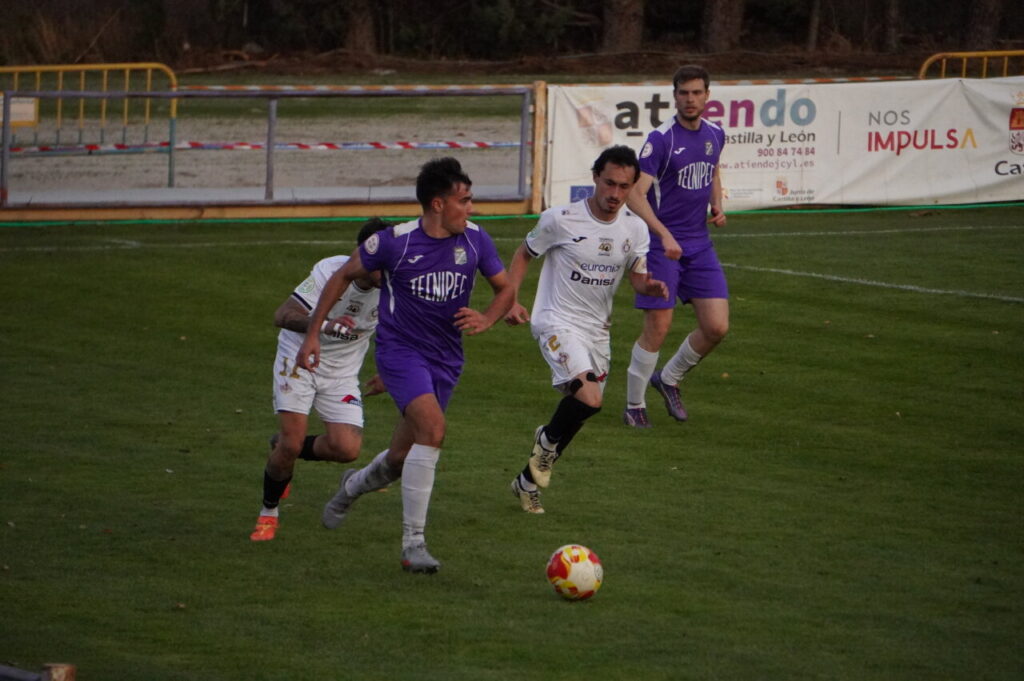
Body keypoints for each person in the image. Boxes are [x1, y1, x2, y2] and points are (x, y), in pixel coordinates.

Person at [296, 157, 513, 573]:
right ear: (437, 204)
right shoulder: (395, 243)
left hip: (446, 359)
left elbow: (505, 289)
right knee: (433, 430)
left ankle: (350, 487)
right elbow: (342, 274)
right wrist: (312, 334)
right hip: (400, 353)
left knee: (399, 459)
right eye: (464, 200)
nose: (471, 209)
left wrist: (488, 316)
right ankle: (413, 544)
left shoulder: (475, 241)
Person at [504, 145, 668, 513]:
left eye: (624, 187)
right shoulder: (560, 219)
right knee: (589, 397)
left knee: (585, 406)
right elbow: (523, 254)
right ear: (595, 177)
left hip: (597, 331)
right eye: (609, 183)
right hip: (555, 321)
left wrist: (650, 287)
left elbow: (638, 279)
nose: (614, 194)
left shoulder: (635, 228)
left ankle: (527, 481)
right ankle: (546, 442)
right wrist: (510, 300)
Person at [250, 218, 391, 542]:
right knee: (292, 442)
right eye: (380, 262)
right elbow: (282, 315)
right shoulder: (331, 271)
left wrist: (387, 372)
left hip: (341, 372)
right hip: (299, 358)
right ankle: (269, 512)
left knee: (347, 448)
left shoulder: (395, 283)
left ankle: (285, 447)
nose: (387, 270)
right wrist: (324, 324)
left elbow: (399, 330)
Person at [623, 64, 729, 428]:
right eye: (684, 93)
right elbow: (634, 195)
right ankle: (634, 405)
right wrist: (662, 233)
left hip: (699, 246)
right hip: (659, 245)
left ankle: (668, 378)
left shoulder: (716, 134)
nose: (690, 99)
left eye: (697, 92)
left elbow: (713, 170)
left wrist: (718, 203)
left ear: (707, 96)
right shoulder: (661, 139)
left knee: (716, 328)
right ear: (675, 96)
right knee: (658, 326)